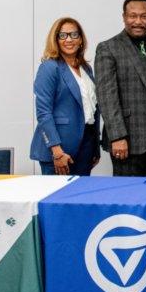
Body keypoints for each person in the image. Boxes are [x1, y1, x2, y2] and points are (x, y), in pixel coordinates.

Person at [95, 0, 146, 177]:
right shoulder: (108, 48)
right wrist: (118, 137)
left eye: (144, 16)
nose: (138, 21)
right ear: (124, 17)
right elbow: (107, 98)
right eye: (132, 16)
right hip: (127, 138)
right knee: (128, 197)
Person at [30, 17, 100, 175]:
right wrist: (56, 150)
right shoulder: (49, 67)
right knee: (56, 198)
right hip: (59, 148)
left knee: (80, 198)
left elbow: (92, 108)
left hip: (86, 144)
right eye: (63, 35)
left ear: (81, 39)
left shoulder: (86, 68)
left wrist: (95, 147)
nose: (69, 39)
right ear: (55, 40)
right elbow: (43, 113)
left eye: (74, 35)